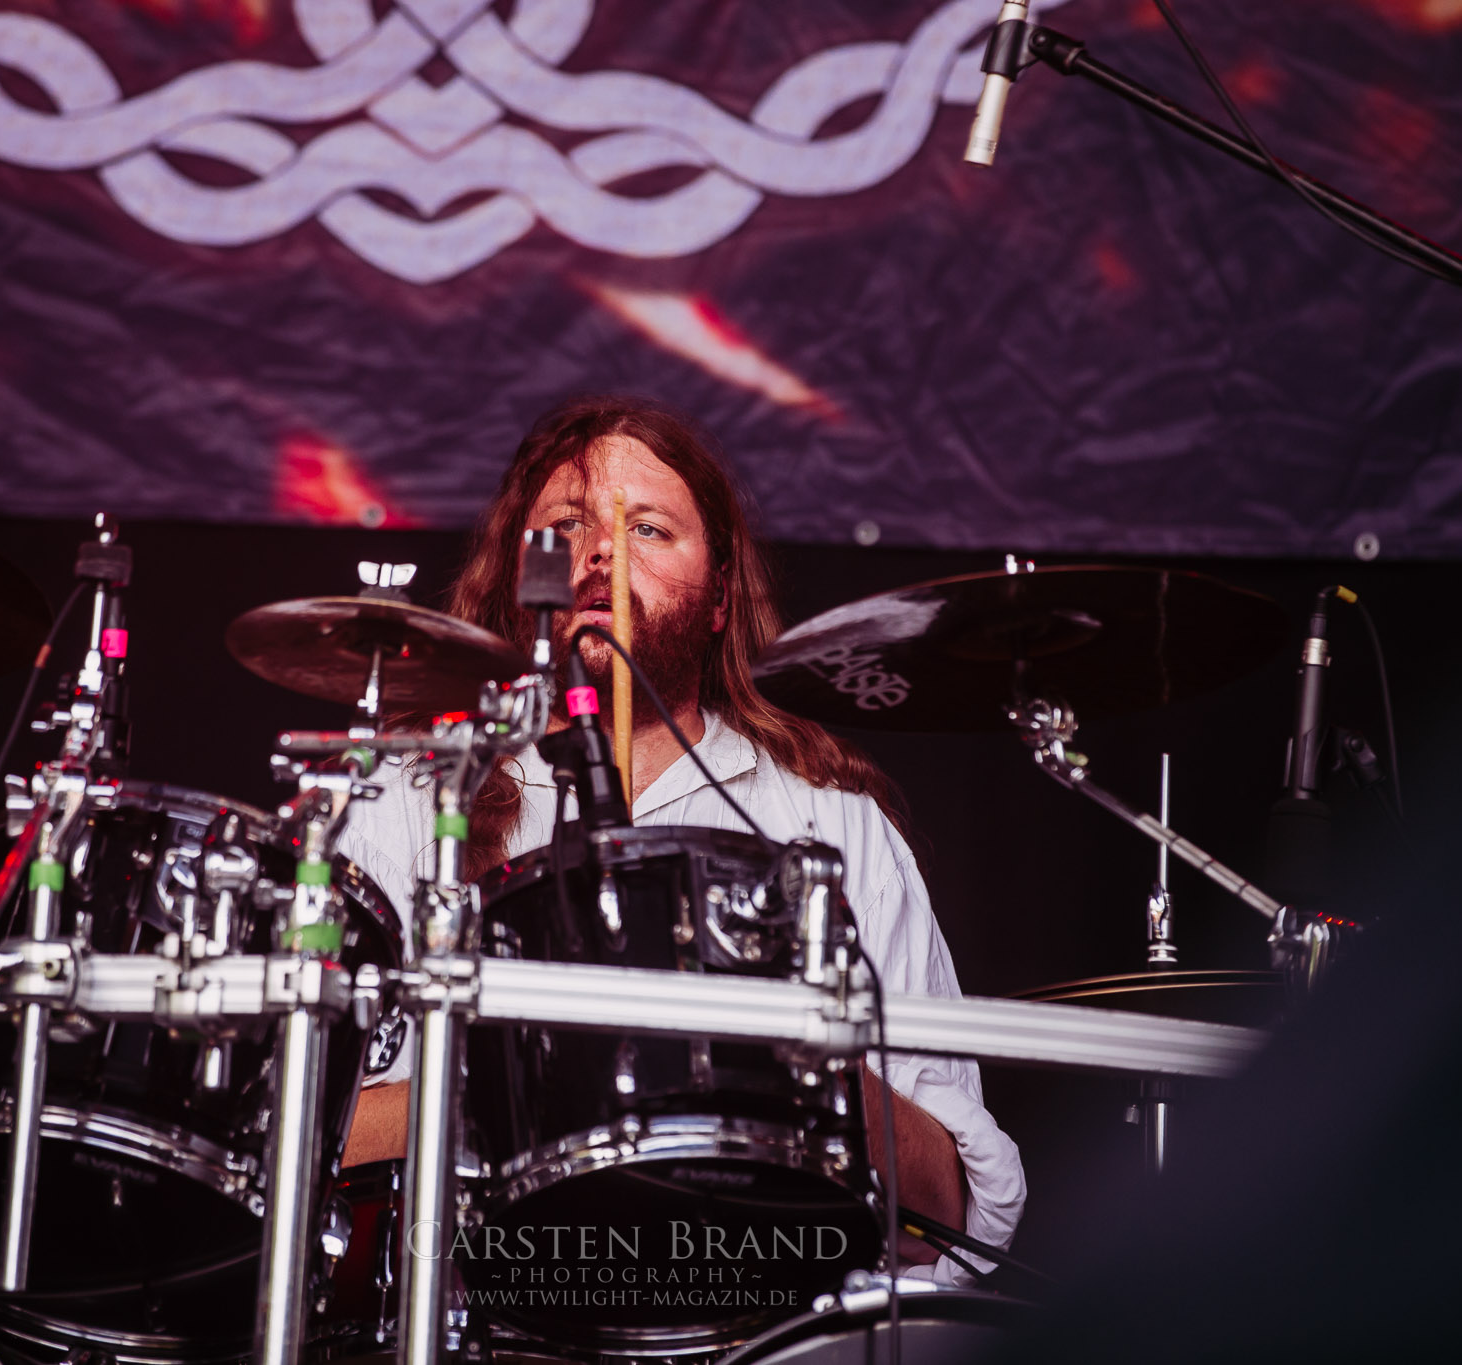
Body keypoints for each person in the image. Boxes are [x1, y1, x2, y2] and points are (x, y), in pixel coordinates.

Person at [334, 395, 1025, 1278]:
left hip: (751, 1301)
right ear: (519, 580)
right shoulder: (401, 800)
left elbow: (951, 1217)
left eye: (649, 529)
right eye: (566, 526)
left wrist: (794, 1060)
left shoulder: (832, 826)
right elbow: (290, 1139)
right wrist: (509, 1072)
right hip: (469, 1299)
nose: (601, 552)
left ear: (720, 598)